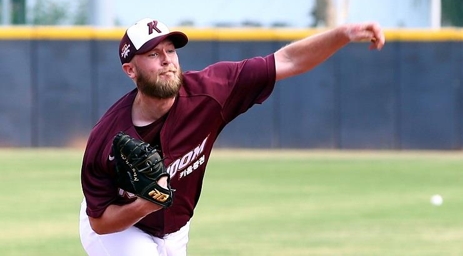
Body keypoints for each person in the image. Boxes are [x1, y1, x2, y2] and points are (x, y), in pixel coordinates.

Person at [79, 17, 385, 256]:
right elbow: (100, 222)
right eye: (153, 54)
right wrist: (145, 205)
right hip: (122, 227)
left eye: (170, 50)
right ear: (130, 70)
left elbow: (287, 60)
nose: (167, 60)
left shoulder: (210, 91)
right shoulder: (107, 139)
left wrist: (343, 34)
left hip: (175, 227)